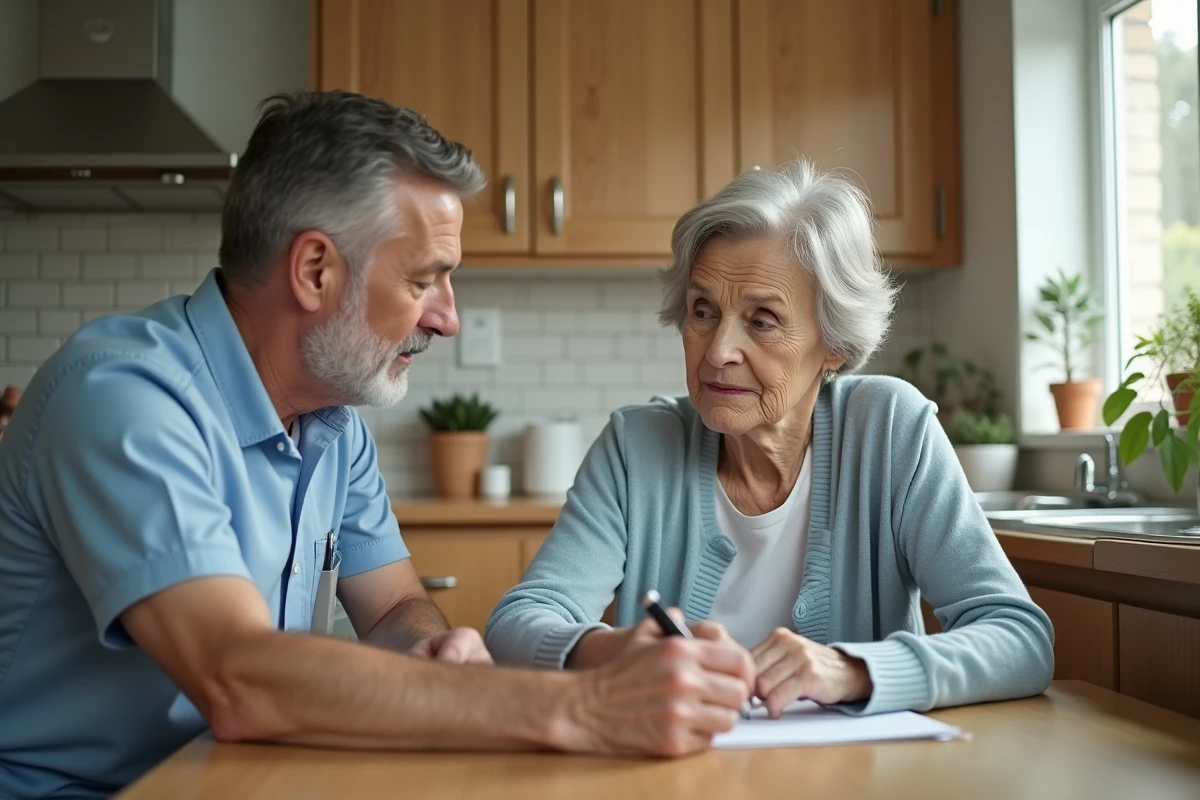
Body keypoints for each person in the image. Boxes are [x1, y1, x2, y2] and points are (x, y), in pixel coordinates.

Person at [0, 91, 755, 800]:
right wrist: (583, 707)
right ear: (315, 270)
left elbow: (394, 604)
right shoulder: (125, 399)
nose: (448, 319)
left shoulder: (333, 425)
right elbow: (238, 676)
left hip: (232, 776)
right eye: (428, 280)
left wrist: (435, 652)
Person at [486, 160, 1055, 718]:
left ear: (833, 344)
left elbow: (1019, 639)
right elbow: (520, 621)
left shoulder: (889, 431)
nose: (717, 351)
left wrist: (852, 671)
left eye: (762, 321)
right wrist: (612, 650)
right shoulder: (637, 447)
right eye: (702, 311)